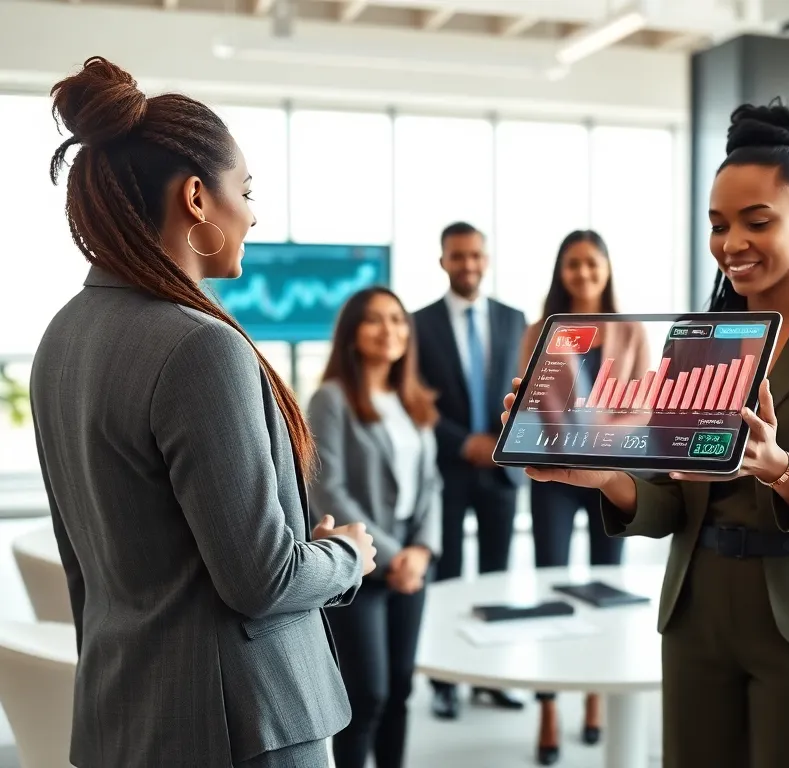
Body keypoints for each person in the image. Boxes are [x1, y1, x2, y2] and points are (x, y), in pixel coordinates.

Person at [506, 100, 789, 768]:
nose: (732, 244)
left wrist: (780, 467)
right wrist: (605, 476)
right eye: (719, 225)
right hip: (699, 617)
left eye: (757, 221)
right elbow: (672, 501)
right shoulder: (700, 340)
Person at [29, 57, 377, 768]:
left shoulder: (60, 338)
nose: (252, 213)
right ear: (196, 197)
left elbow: (88, 568)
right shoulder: (199, 347)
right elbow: (262, 581)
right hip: (242, 727)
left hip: (122, 715)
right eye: (244, 191)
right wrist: (347, 556)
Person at [515, 230, 649, 765]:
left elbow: (644, 406)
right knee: (549, 585)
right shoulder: (542, 330)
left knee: (606, 585)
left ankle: (596, 695)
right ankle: (548, 707)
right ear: (561, 272)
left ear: (607, 269)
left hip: (609, 475)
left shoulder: (630, 330)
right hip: (554, 474)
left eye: (592, 263)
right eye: (573, 264)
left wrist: (598, 438)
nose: (583, 273)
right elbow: (528, 398)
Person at [307, 287, 443, 768]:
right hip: (359, 565)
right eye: (374, 320)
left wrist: (422, 550)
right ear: (352, 333)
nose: (390, 330)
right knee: (367, 695)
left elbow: (432, 483)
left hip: (412, 560)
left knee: (401, 688)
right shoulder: (330, 399)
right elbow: (328, 490)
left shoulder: (414, 400)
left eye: (397, 319)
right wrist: (395, 554)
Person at [413, 221, 528, 719]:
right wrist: (465, 443)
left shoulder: (514, 319)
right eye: (458, 256)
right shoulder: (419, 324)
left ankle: (490, 678)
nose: (468, 265)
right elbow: (417, 400)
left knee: (497, 577)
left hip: (502, 470)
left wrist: (500, 442)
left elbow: (529, 389)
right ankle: (445, 681)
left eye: (475, 255)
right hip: (449, 469)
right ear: (443, 261)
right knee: (448, 575)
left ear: (487, 258)